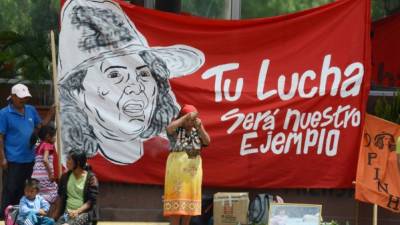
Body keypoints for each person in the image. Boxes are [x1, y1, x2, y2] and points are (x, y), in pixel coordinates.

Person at [58, 0, 205, 165]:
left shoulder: (164, 139)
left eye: (143, 73)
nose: (135, 87)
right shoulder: (76, 157)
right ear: (78, 90)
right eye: (114, 74)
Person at [0, 83, 54, 218]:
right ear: (12, 97)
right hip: (12, 160)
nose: (23, 100)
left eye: (25, 97)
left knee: (23, 190)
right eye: (20, 97)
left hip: (29, 159)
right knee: (10, 190)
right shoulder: (4, 113)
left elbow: (39, 127)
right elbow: (0, 137)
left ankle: (20, 217)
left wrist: (50, 114)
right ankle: (5, 217)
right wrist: (3, 158)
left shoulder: (30, 109)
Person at [163, 104, 211, 225]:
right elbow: (169, 128)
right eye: (188, 119)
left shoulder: (197, 130)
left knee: (189, 204)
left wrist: (200, 126)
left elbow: (207, 141)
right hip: (177, 173)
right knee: (176, 205)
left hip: (193, 173)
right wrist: (184, 118)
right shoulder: (176, 130)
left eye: (192, 118)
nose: (191, 121)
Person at [53, 150, 99, 225]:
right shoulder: (65, 177)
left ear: (77, 163)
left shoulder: (91, 179)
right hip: (67, 214)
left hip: (85, 215)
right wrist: (54, 217)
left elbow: (91, 202)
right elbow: (61, 198)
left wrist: (77, 211)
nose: (66, 161)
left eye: (69, 159)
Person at [32, 126, 58, 203]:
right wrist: (50, 174)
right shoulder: (48, 145)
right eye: (54, 136)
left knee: (39, 193)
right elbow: (45, 160)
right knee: (54, 193)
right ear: (47, 136)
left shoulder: (38, 144)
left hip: (36, 175)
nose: (55, 139)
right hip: (45, 175)